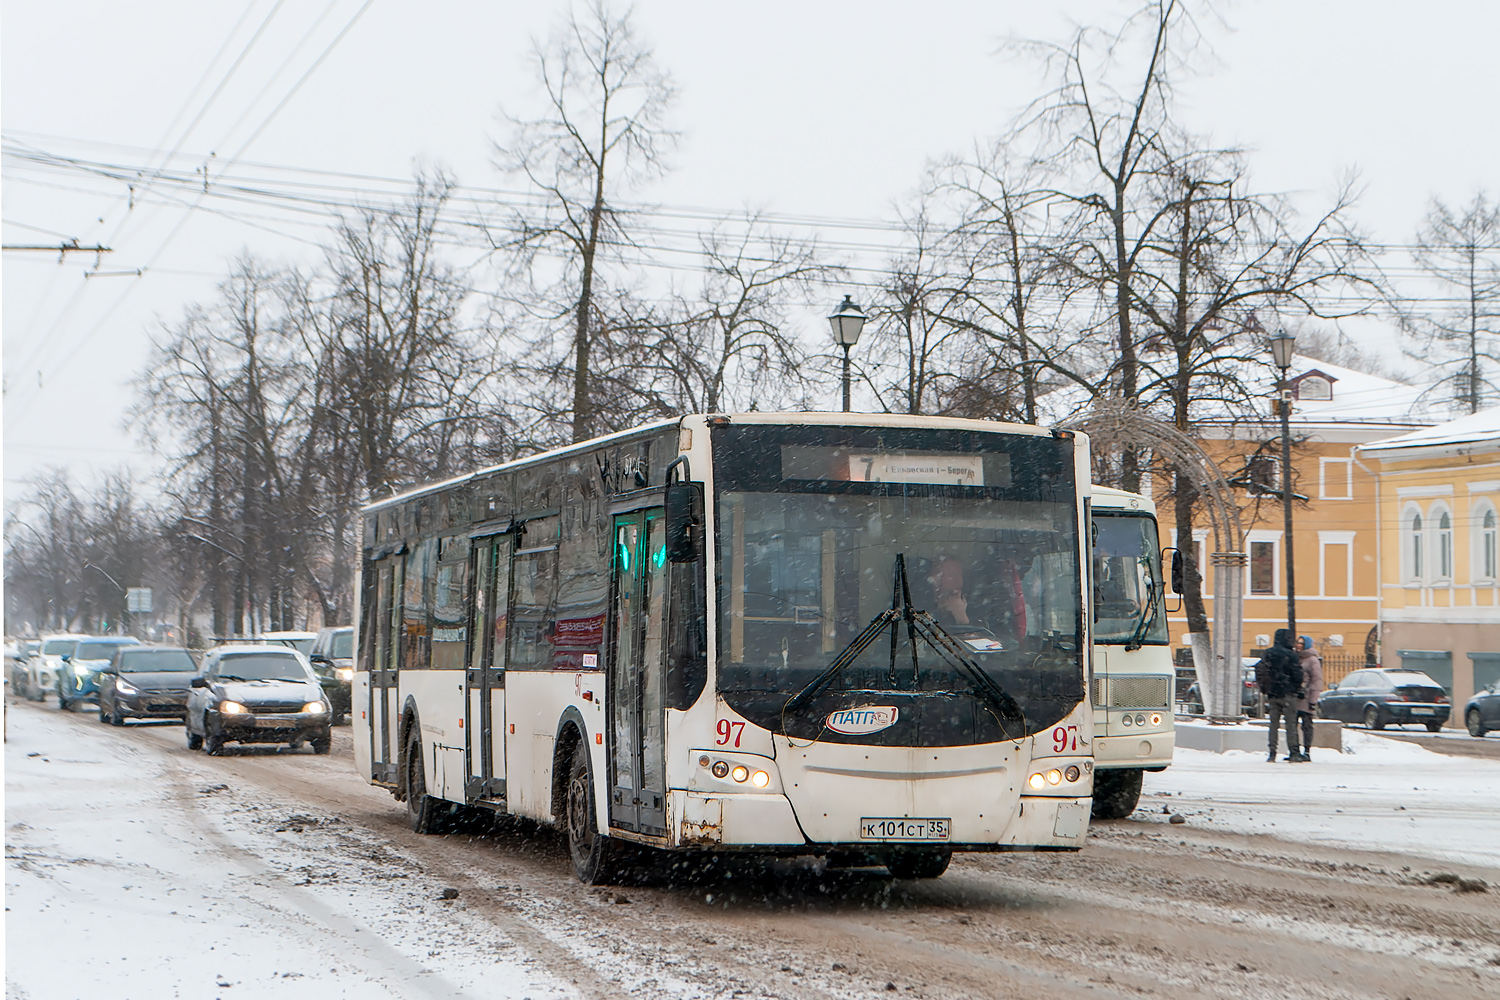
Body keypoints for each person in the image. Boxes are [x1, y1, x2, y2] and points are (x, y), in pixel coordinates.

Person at [1254, 629, 1305, 763]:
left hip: (1272, 693)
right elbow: (1298, 675)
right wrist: (1294, 687)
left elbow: (1262, 670)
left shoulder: (1268, 653)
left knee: (1273, 725)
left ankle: (1272, 753)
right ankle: (1294, 752)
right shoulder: (1291, 655)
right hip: (1288, 693)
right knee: (1291, 725)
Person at [1296, 635, 1324, 758]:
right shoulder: (1295, 657)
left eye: (1301, 643)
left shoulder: (1312, 660)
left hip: (1307, 697)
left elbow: (1317, 681)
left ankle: (1306, 751)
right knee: (1292, 724)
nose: (1299, 645)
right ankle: (1295, 750)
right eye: (1298, 642)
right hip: (1295, 696)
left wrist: (1313, 699)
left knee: (1306, 725)